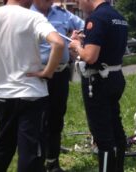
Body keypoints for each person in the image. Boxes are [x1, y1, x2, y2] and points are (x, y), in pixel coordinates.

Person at [0, 0, 64, 171]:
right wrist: (48, 72)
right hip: (31, 94)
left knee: (2, 147)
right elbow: (58, 43)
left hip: (2, 94)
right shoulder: (33, 17)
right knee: (31, 152)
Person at [69, 0, 128, 171]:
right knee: (116, 128)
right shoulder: (119, 17)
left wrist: (76, 45)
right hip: (115, 76)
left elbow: (90, 57)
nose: (79, 6)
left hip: (98, 82)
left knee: (103, 137)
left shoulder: (96, 18)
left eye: (79, 1)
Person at [30, 1, 84, 171]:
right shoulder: (27, 14)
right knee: (36, 121)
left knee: (56, 118)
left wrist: (78, 37)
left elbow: (86, 28)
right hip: (35, 77)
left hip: (59, 75)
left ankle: (52, 162)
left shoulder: (63, 14)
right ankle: (36, 162)